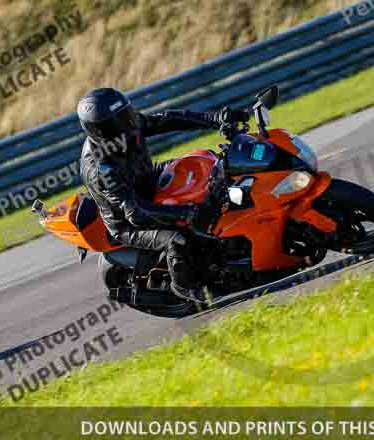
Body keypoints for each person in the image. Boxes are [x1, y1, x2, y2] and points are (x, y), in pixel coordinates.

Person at [77, 87, 248, 300]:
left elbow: (167, 119)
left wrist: (214, 119)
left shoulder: (127, 127)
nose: (128, 123)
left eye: (125, 115)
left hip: (147, 178)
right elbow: (135, 213)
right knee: (177, 239)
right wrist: (186, 212)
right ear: (99, 131)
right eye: (117, 122)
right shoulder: (102, 170)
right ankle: (184, 287)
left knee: (205, 161)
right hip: (128, 221)